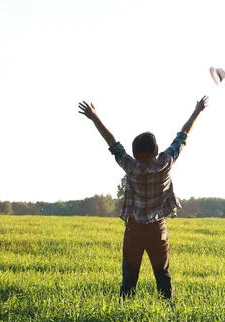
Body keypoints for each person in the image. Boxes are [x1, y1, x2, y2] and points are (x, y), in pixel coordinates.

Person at [78, 96, 208, 299]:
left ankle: (124, 314)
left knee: (129, 279)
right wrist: (198, 110)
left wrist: (94, 117)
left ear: (134, 152)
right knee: (163, 276)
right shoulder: (165, 162)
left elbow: (112, 143)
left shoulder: (131, 166)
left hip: (134, 229)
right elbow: (182, 136)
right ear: (156, 151)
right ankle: (168, 311)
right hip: (158, 228)